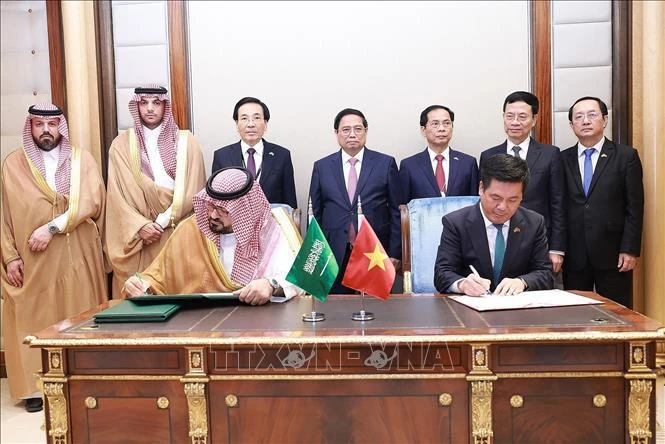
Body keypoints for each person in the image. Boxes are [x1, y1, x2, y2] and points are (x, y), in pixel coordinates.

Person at [1, 104, 107, 412]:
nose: (46, 130)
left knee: (80, 317)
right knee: (34, 317)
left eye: (52, 123)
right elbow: (3, 215)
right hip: (32, 260)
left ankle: (86, 380)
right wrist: (9, 258)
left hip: (77, 255)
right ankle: (35, 388)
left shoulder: (81, 160)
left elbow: (92, 201)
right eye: (39, 124)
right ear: (30, 126)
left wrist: (51, 227)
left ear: (61, 126)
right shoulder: (13, 164)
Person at [124, 167, 304, 305]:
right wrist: (140, 285)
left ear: (244, 211)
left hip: (261, 324)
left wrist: (271, 285)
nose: (212, 215)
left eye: (222, 210)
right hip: (201, 326)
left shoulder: (272, 231)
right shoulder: (191, 229)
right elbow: (158, 278)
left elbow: (299, 281)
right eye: (210, 206)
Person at [106, 84, 206, 298]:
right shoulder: (120, 145)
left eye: (156, 103)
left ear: (165, 106)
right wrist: (141, 226)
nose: (150, 108)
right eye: (144, 103)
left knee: (178, 293)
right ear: (137, 106)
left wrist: (160, 223)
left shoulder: (187, 142)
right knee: (138, 295)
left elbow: (195, 191)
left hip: (175, 230)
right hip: (138, 236)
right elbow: (116, 198)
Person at [561, 96, 644, 308]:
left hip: (614, 253)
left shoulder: (626, 157)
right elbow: (558, 206)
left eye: (592, 115)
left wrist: (630, 249)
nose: (585, 121)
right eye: (578, 117)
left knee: (618, 313)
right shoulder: (562, 159)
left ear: (604, 120)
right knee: (575, 314)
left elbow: (634, 207)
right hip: (574, 253)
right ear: (572, 125)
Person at [309, 108, 403, 293]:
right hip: (333, 252)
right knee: (336, 312)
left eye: (358, 129)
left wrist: (394, 253)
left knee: (376, 311)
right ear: (336, 133)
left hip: (374, 252)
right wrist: (316, 253)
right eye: (346, 129)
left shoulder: (385, 163)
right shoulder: (322, 167)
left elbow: (396, 211)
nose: (352, 134)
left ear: (366, 131)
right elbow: (315, 213)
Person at [434, 154, 553, 295]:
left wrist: (522, 282)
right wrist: (462, 284)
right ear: (481, 188)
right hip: (470, 311)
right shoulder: (456, 223)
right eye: (496, 198)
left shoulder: (534, 223)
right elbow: (442, 274)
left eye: (513, 200)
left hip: (517, 311)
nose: (502, 207)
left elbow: (545, 273)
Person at [479, 91, 566, 274]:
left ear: (534, 119)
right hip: (498, 238)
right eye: (510, 116)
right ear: (503, 118)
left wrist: (556, 249)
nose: (515, 122)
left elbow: (558, 203)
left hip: (538, 239)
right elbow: (483, 202)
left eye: (522, 116)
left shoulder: (550, 154)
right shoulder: (488, 156)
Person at [211, 97, 297, 208]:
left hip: (271, 222)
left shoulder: (282, 155)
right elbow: (216, 201)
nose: (250, 124)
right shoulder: (222, 156)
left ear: (265, 123)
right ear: (237, 124)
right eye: (244, 118)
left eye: (256, 118)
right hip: (234, 223)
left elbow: (289, 202)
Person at [400, 105, 479, 201]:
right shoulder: (409, 166)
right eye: (435, 124)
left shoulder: (468, 163)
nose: (441, 128)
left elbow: (475, 202)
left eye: (446, 123)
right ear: (423, 130)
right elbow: (403, 206)